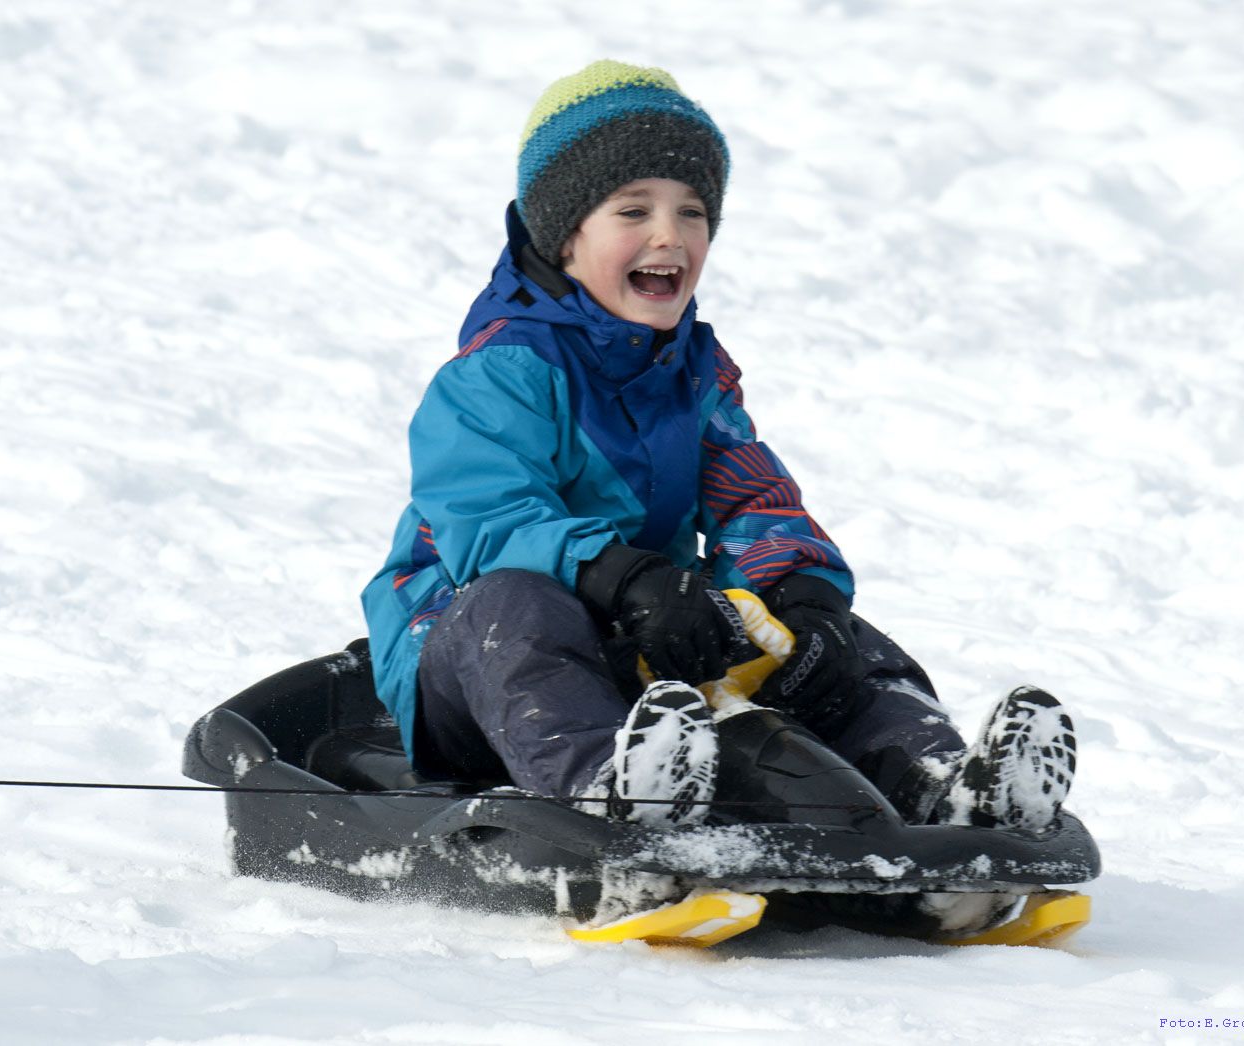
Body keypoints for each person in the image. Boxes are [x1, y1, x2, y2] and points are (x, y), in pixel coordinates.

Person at [361, 62, 1076, 862]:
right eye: (633, 210)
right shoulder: (497, 374)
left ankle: (946, 782)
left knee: (840, 643)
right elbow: (490, 523)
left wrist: (800, 595)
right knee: (519, 606)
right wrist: (630, 580)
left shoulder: (692, 371)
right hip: (467, 660)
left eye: (691, 212)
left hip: (640, 643)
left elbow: (750, 492)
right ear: (564, 237)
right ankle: (614, 792)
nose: (670, 235)